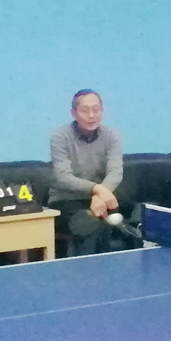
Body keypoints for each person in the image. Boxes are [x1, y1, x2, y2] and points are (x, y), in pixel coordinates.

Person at [48, 90, 127, 256]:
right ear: (73, 113)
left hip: (101, 198)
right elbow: (63, 178)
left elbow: (115, 173)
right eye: (85, 110)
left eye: (96, 110)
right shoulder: (60, 136)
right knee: (91, 223)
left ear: (102, 111)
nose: (91, 115)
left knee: (139, 215)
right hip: (66, 199)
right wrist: (97, 189)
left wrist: (99, 196)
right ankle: (89, 270)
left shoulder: (112, 135)